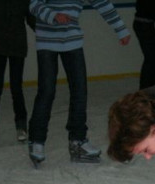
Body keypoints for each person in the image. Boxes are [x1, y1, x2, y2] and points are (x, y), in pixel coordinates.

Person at [27, 0, 130, 166]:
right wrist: (54, 16)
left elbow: (103, 4)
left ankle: (78, 140)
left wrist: (120, 29)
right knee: (47, 91)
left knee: (80, 91)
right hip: (47, 40)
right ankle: (37, 141)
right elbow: (34, 4)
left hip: (72, 39)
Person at [0, 0, 35, 146]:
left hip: (17, 45)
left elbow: (31, 19)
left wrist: (46, 32)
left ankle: (21, 126)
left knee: (16, 87)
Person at [133, 0, 155, 89]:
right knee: (153, 57)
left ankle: (148, 86)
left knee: (153, 57)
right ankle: (147, 87)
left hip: (144, 23)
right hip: (144, 24)